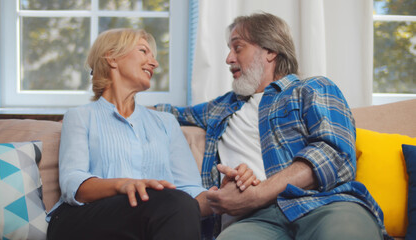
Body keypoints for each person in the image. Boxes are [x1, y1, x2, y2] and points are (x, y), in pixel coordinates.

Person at [156, 12, 391, 240]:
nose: (228, 58)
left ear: (269, 51)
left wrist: (259, 193)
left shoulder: (312, 88)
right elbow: (165, 113)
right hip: (254, 221)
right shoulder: (221, 107)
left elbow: (334, 154)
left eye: (237, 47)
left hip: (323, 204)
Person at [46, 28, 257, 240]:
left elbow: (190, 192)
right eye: (143, 51)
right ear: (111, 58)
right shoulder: (80, 117)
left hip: (147, 221)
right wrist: (124, 185)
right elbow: (73, 184)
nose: (154, 63)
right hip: (81, 220)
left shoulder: (166, 123)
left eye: (153, 56)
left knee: (181, 203)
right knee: (173, 203)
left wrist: (219, 198)